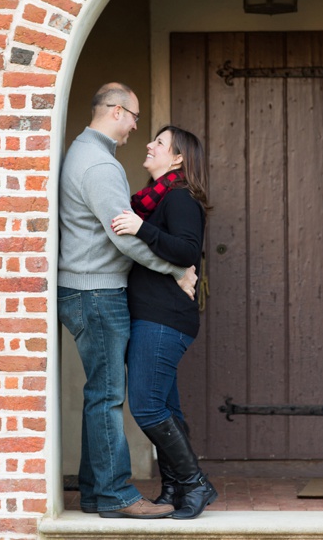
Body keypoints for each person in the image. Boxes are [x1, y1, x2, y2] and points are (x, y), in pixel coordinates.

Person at [58, 83, 197, 519]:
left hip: (88, 289)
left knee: (101, 393)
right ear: (116, 111)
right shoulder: (100, 164)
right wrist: (177, 270)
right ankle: (117, 494)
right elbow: (126, 237)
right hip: (96, 290)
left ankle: (97, 491)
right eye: (136, 118)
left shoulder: (88, 154)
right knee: (108, 395)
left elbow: (134, 228)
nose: (139, 128)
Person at [111, 124, 218, 519]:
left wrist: (142, 229)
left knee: (147, 407)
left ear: (178, 158)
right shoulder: (153, 200)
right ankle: (174, 488)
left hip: (164, 318)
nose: (149, 144)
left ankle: (195, 484)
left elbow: (188, 250)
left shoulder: (180, 198)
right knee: (167, 409)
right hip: (153, 316)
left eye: (159, 142)